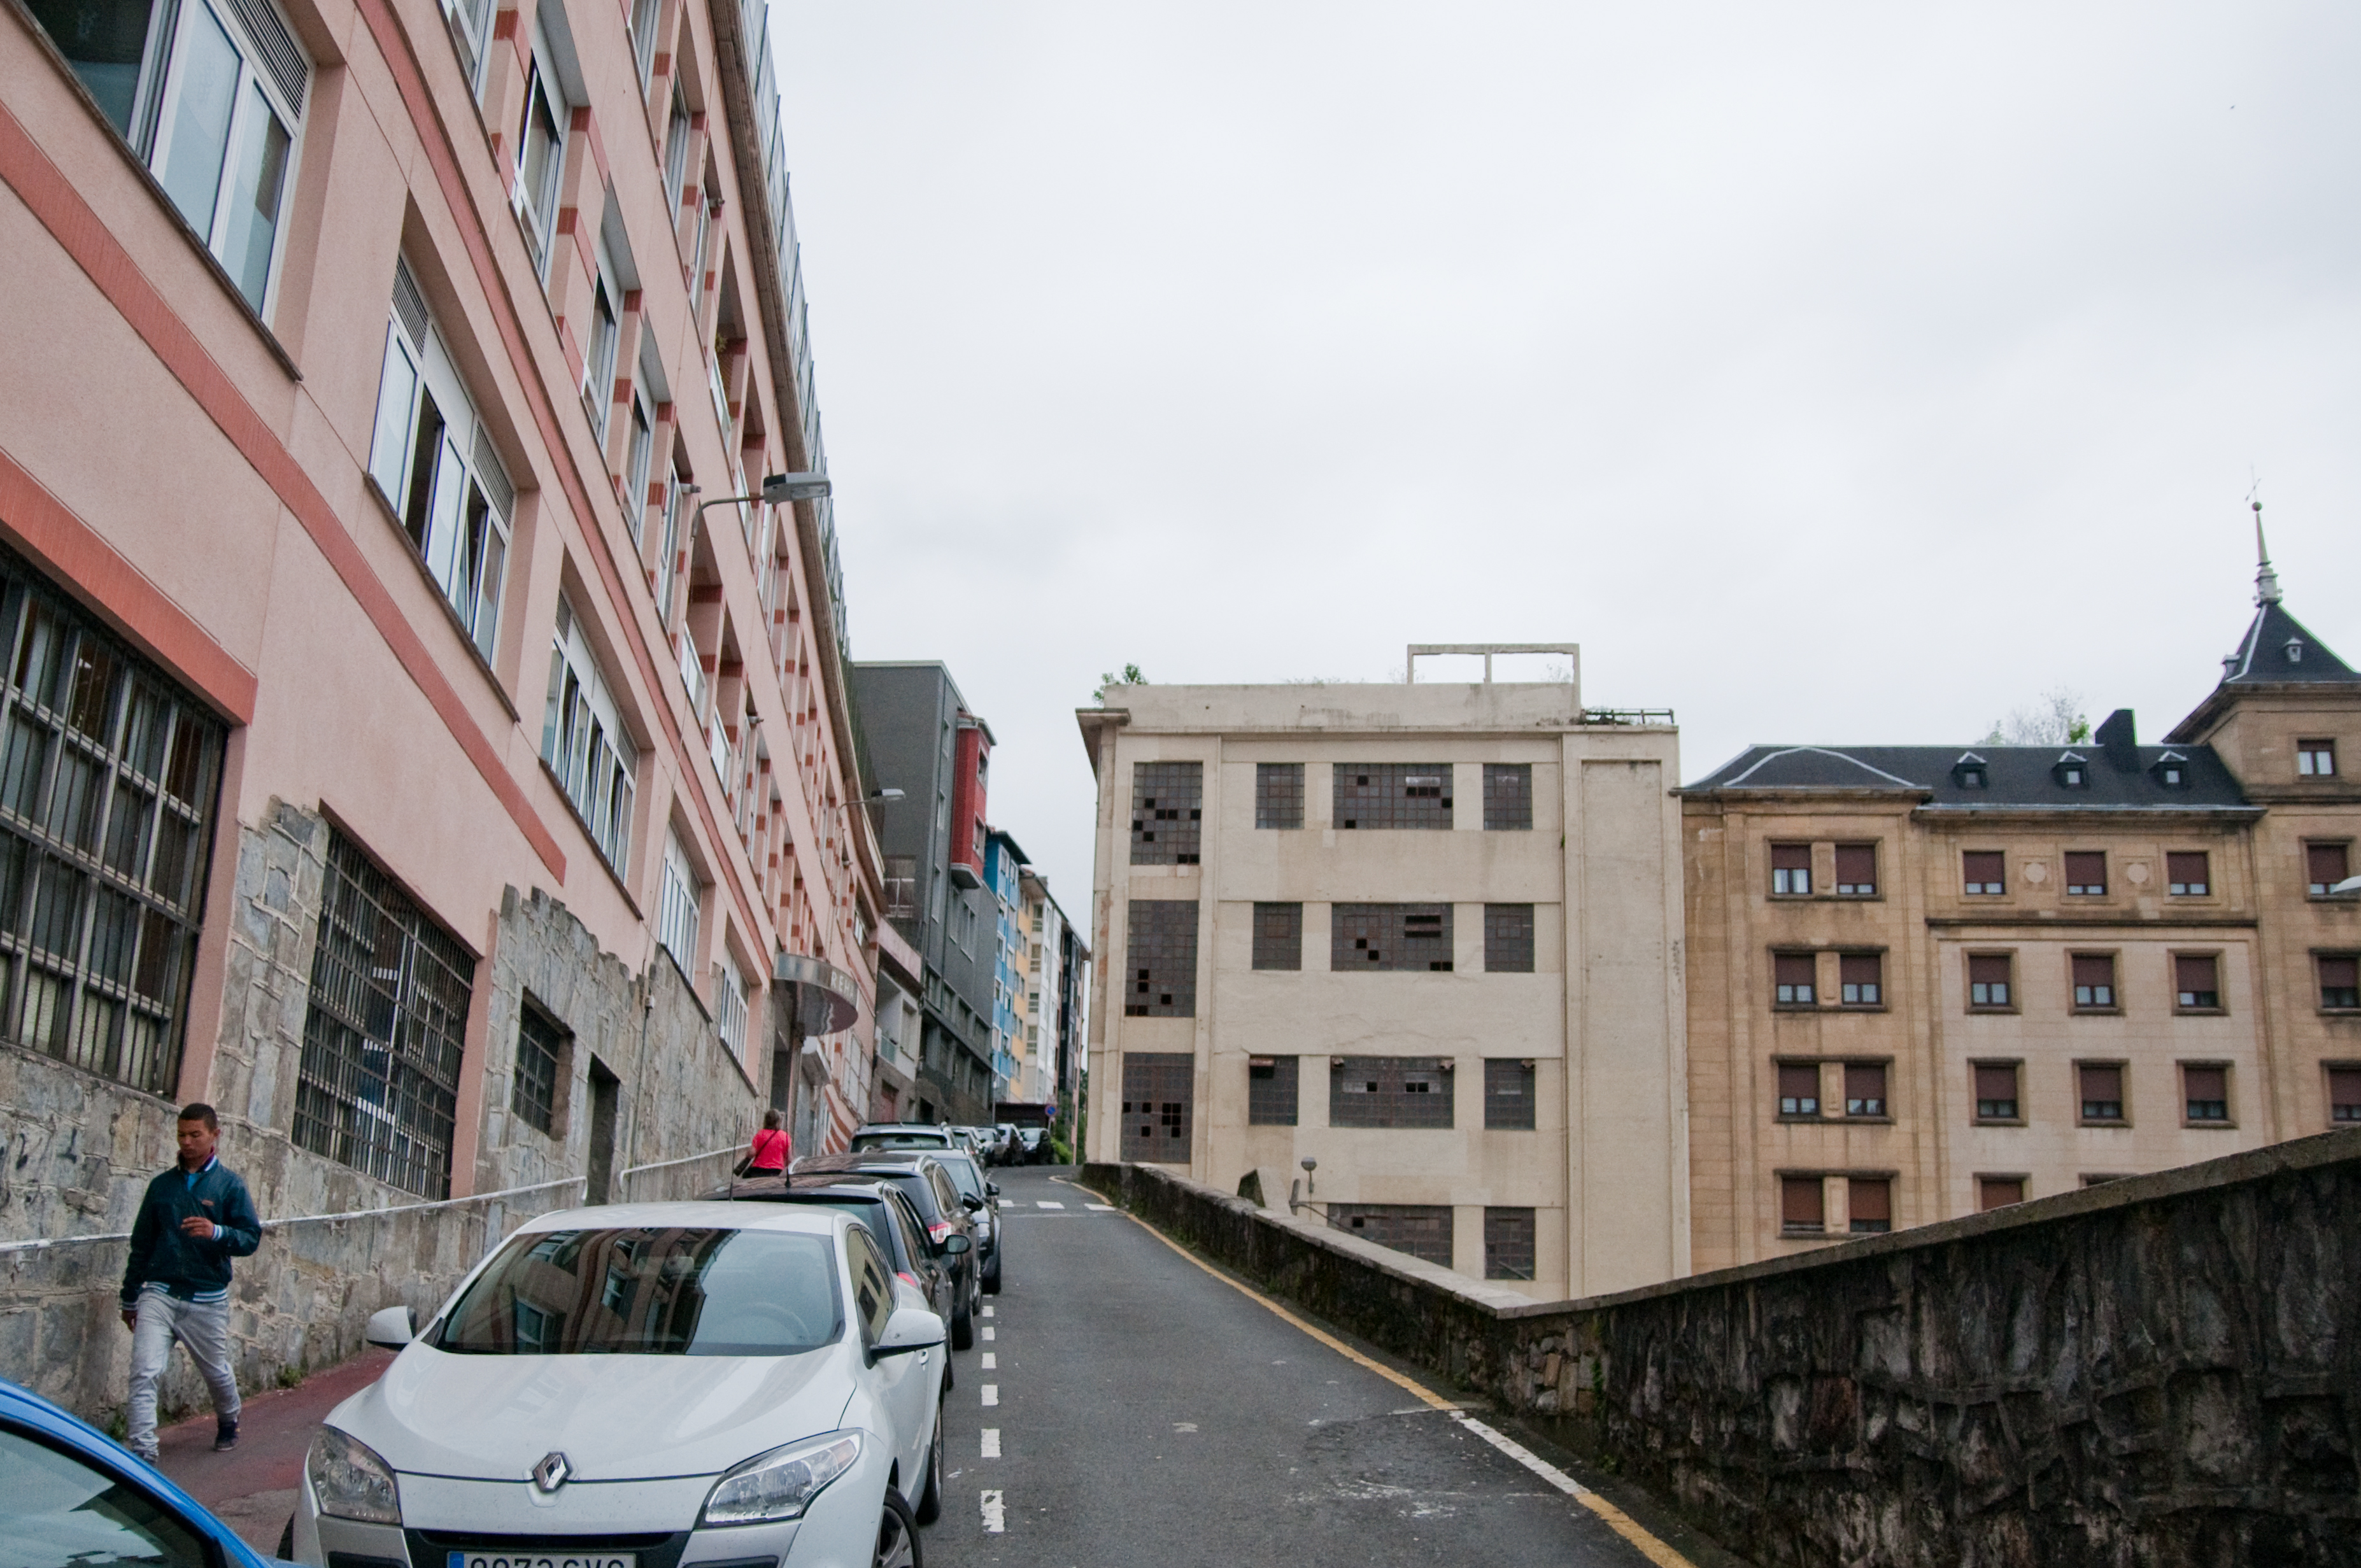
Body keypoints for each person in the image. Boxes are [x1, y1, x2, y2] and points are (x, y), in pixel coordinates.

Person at [120, 1103, 260, 1459]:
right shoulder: (162, 1186)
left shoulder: (230, 1186)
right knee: (144, 1372)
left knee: (215, 1372)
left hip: (207, 1299)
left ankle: (229, 1418)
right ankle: (143, 1451)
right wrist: (130, 1296)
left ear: (215, 1135)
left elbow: (250, 1238)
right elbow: (142, 1244)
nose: (186, 1142)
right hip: (160, 1294)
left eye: (195, 1135)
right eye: (181, 1135)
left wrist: (217, 1232)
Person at [745, 1108, 790, 1176]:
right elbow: (789, 1159)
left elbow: (752, 1153)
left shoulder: (760, 1134)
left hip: (758, 1170)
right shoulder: (785, 1136)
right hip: (777, 1171)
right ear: (778, 1122)